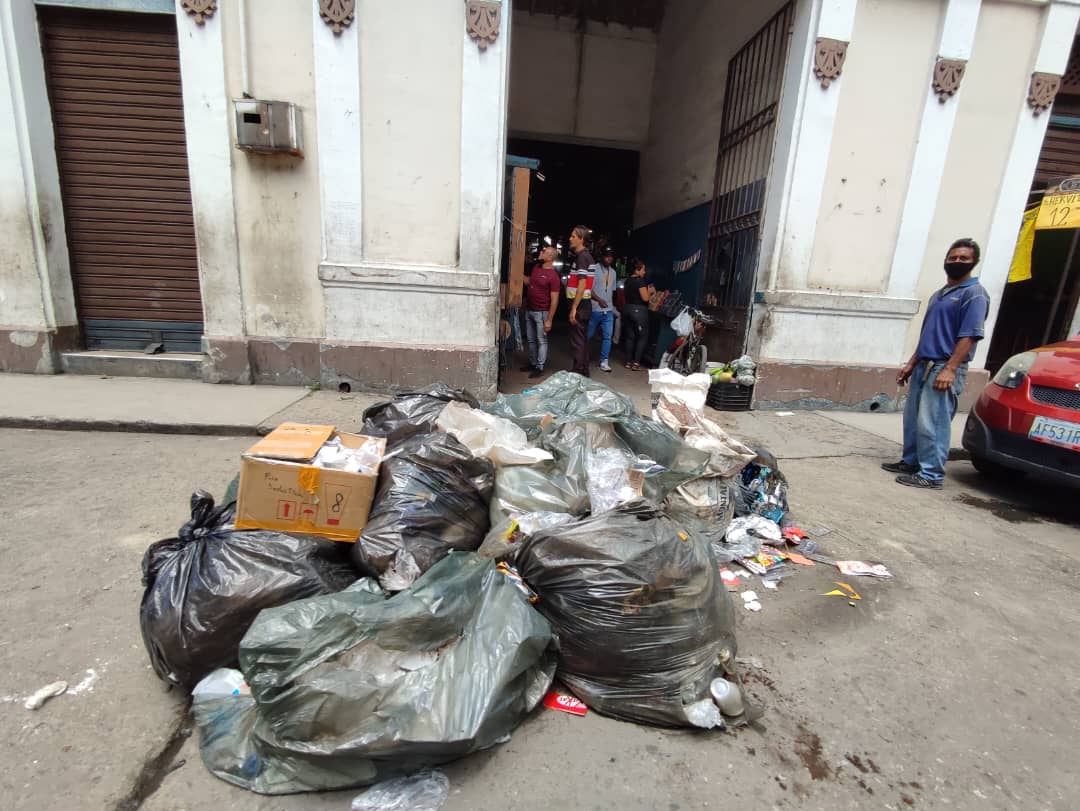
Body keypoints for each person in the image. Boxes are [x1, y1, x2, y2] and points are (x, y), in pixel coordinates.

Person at [882, 238, 990, 489]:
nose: (957, 262)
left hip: (944, 366)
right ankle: (911, 462)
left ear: (974, 262)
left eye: (963, 258)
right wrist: (911, 363)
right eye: (953, 258)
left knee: (933, 421)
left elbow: (970, 335)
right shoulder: (939, 295)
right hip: (924, 364)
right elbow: (928, 333)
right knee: (913, 419)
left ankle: (931, 475)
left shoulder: (974, 294)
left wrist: (951, 368)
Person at [520, 245, 561, 379]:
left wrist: (549, 320)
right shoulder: (536, 268)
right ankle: (533, 363)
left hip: (542, 313)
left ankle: (539, 366)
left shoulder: (554, 276)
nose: (540, 252)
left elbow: (555, 300)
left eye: (543, 251)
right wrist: (516, 273)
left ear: (550, 257)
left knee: (541, 340)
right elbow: (529, 282)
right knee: (531, 340)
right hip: (530, 310)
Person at [567, 225, 595, 377]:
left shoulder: (582, 257)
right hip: (584, 305)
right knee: (582, 340)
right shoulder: (585, 256)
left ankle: (577, 374)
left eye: (573, 236)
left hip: (580, 305)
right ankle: (583, 372)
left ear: (581, 239)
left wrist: (573, 308)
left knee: (577, 341)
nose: (570, 238)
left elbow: (582, 284)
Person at [588, 247, 618, 372]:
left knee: (607, 336)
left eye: (611, 256)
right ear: (601, 256)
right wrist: (599, 300)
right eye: (606, 255)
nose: (609, 258)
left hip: (608, 310)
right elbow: (588, 289)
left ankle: (604, 361)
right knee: (588, 335)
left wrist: (612, 305)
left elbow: (612, 291)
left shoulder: (613, 272)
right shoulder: (594, 268)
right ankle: (582, 355)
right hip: (595, 309)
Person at [622, 259, 653, 371]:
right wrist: (650, 291)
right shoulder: (640, 282)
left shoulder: (627, 281)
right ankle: (636, 363)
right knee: (642, 337)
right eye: (643, 269)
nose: (644, 272)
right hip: (639, 311)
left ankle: (627, 362)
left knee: (630, 337)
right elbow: (645, 298)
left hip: (627, 309)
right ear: (637, 270)